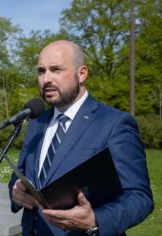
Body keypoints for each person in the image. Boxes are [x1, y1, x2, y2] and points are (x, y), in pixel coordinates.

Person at [8, 40, 154, 235]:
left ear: (82, 73)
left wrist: (95, 220)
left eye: (56, 69)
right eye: (41, 71)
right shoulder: (37, 122)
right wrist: (15, 190)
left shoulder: (115, 123)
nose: (46, 79)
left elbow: (139, 197)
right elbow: (22, 172)